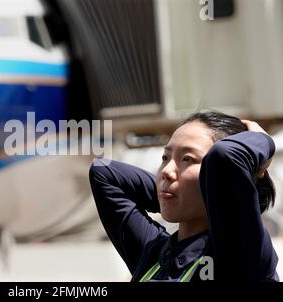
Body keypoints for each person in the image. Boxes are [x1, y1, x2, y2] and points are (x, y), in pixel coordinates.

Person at [89, 111, 279, 282]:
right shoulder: (153, 253)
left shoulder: (240, 253)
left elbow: (225, 156)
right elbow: (104, 172)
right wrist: (173, 196)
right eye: (165, 158)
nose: (167, 171)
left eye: (188, 159)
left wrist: (263, 140)